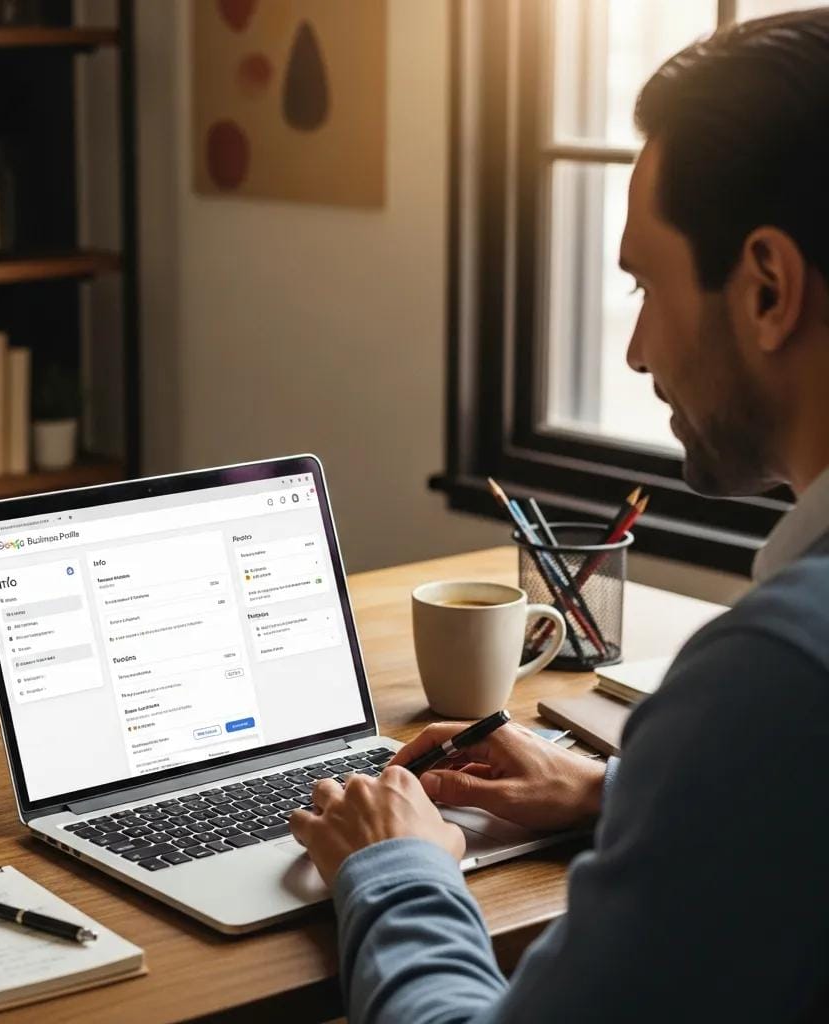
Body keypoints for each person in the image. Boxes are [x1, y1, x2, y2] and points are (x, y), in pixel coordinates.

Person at [288, 10, 829, 1022]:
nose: (633, 351)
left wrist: (396, 868)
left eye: (644, 284)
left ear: (766, 286)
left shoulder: (779, 678)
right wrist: (623, 797)